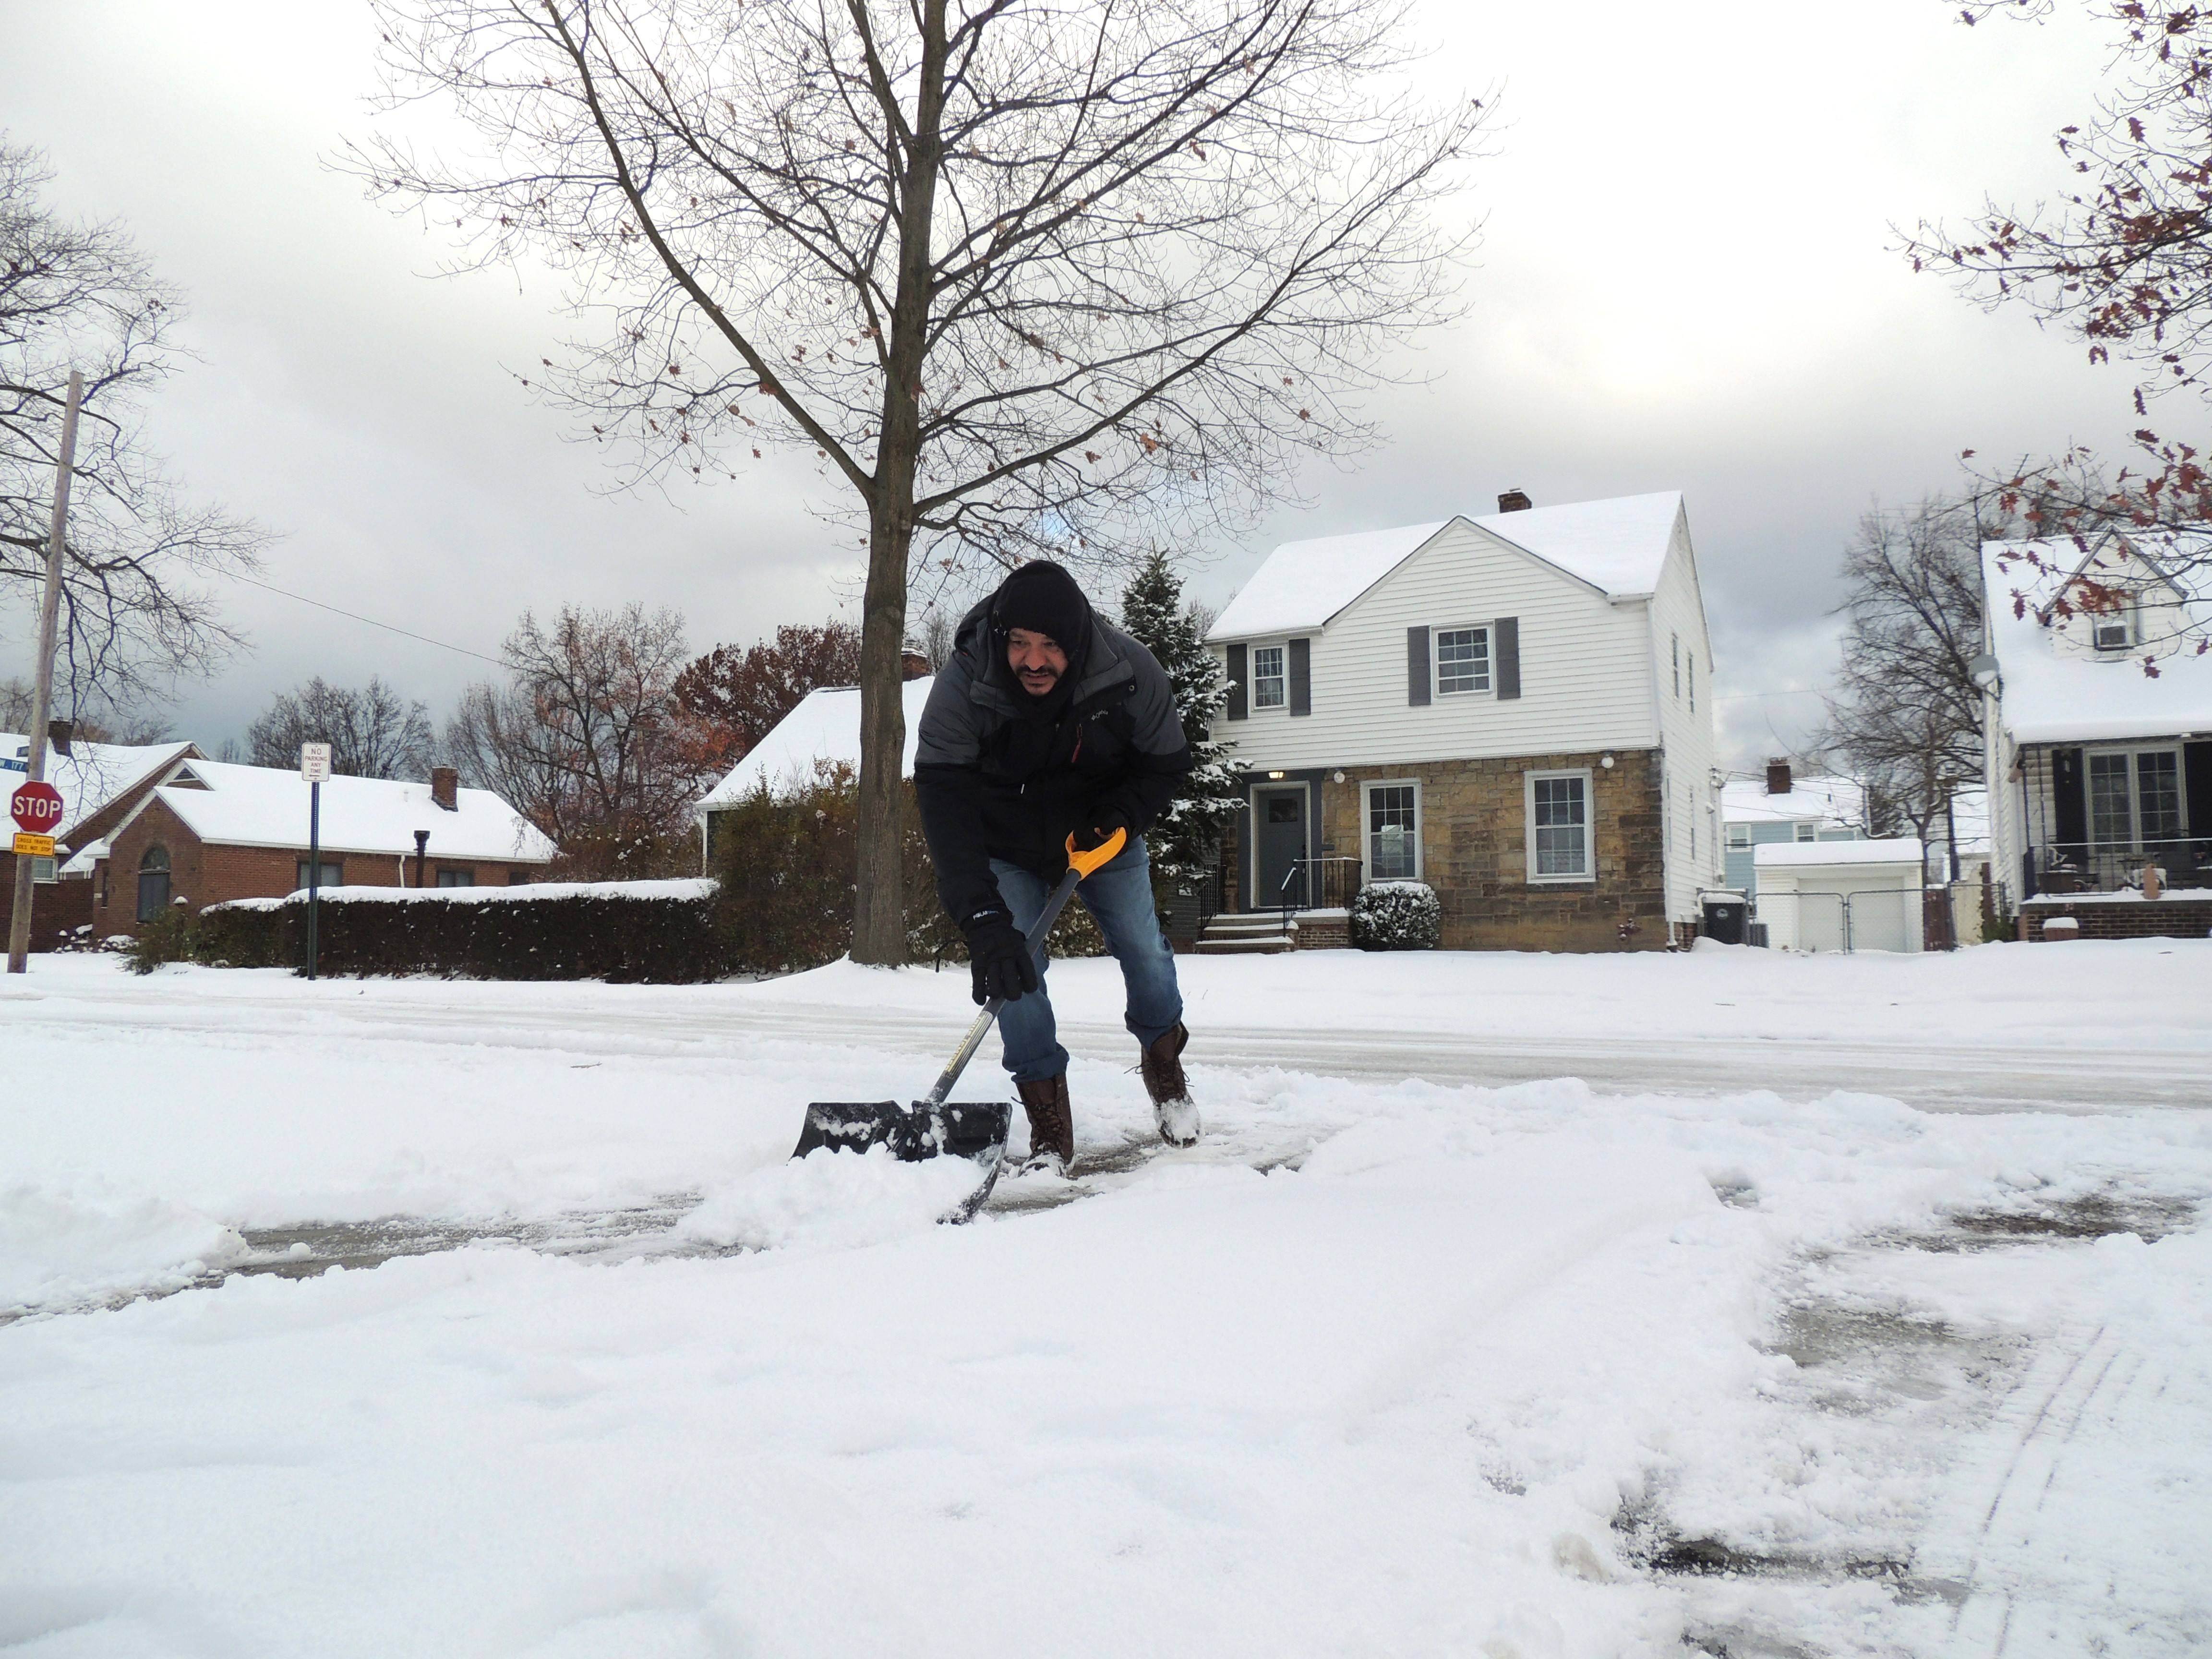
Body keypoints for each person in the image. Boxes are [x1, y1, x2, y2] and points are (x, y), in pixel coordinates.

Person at [914, 560, 1200, 1176]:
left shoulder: (1128, 672)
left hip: (1101, 836)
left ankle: (1162, 1057)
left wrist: (1120, 815)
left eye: (1049, 646)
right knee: (1014, 972)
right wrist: (984, 920)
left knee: (1143, 949)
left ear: (1076, 643)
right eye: (1018, 643)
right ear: (999, 637)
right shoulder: (964, 682)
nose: (1033, 661)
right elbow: (945, 803)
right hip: (1004, 844)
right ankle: (1048, 1114)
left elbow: (1167, 763)